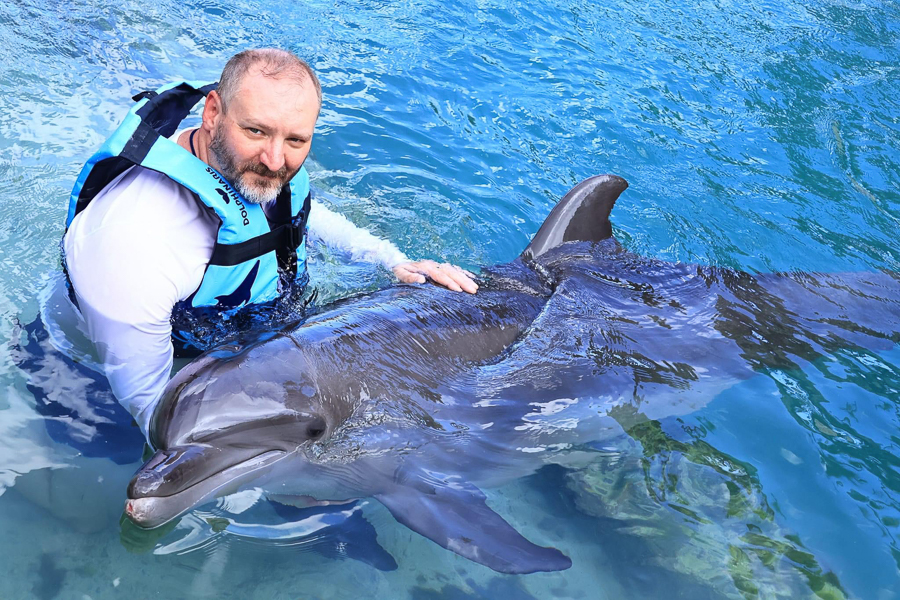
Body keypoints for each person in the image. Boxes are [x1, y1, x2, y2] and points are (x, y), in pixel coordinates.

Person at [62, 48, 477, 438]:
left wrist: (392, 262)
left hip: (224, 341)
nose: (276, 160)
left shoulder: (239, 163)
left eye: (296, 140)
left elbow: (293, 213)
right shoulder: (139, 244)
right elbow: (154, 417)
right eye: (256, 131)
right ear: (212, 114)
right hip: (92, 387)